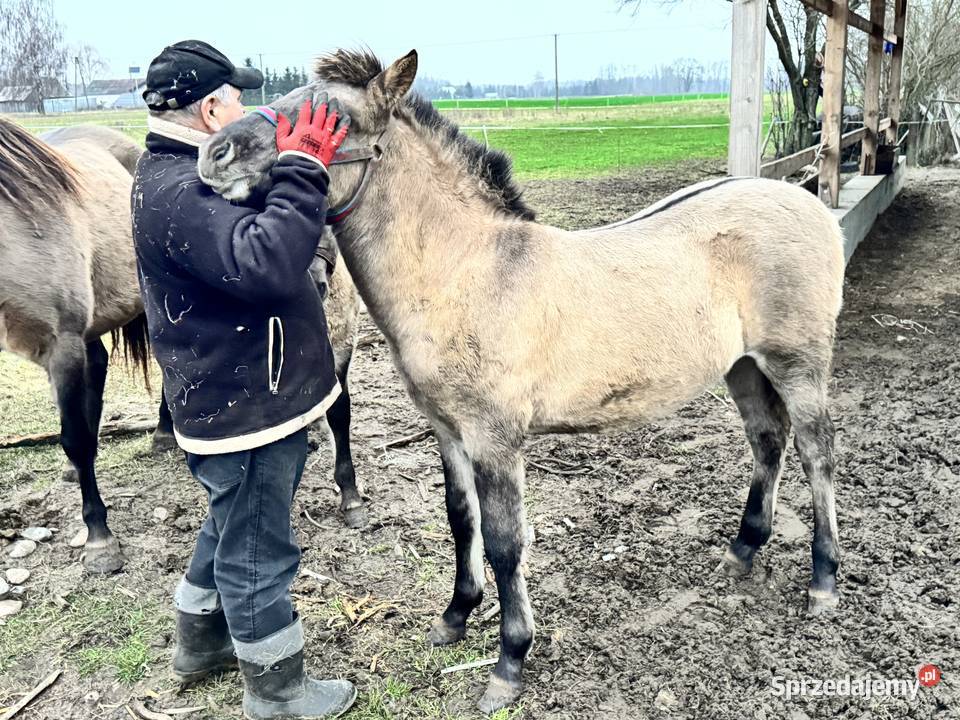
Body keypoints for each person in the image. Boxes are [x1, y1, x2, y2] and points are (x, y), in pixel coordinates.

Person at [132, 40, 356, 719]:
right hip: (248, 408)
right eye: (235, 99)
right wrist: (304, 169)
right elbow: (265, 265)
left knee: (232, 522)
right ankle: (278, 691)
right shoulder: (180, 193)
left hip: (229, 397)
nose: (245, 110)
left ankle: (201, 641)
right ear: (209, 111)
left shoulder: (170, 173)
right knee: (259, 547)